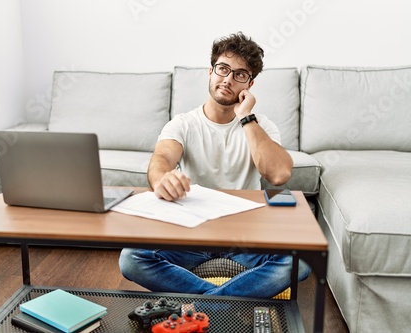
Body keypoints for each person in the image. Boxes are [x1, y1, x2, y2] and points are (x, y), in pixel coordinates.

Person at [119, 32, 310, 299]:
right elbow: (161, 159)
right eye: (223, 69)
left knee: (300, 262)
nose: (228, 79)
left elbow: (278, 174)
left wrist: (246, 118)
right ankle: (222, 304)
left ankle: (208, 305)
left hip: (246, 238)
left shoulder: (261, 126)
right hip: (191, 236)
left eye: (240, 74)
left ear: (250, 84)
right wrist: (162, 178)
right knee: (131, 259)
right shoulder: (184, 123)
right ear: (210, 72)